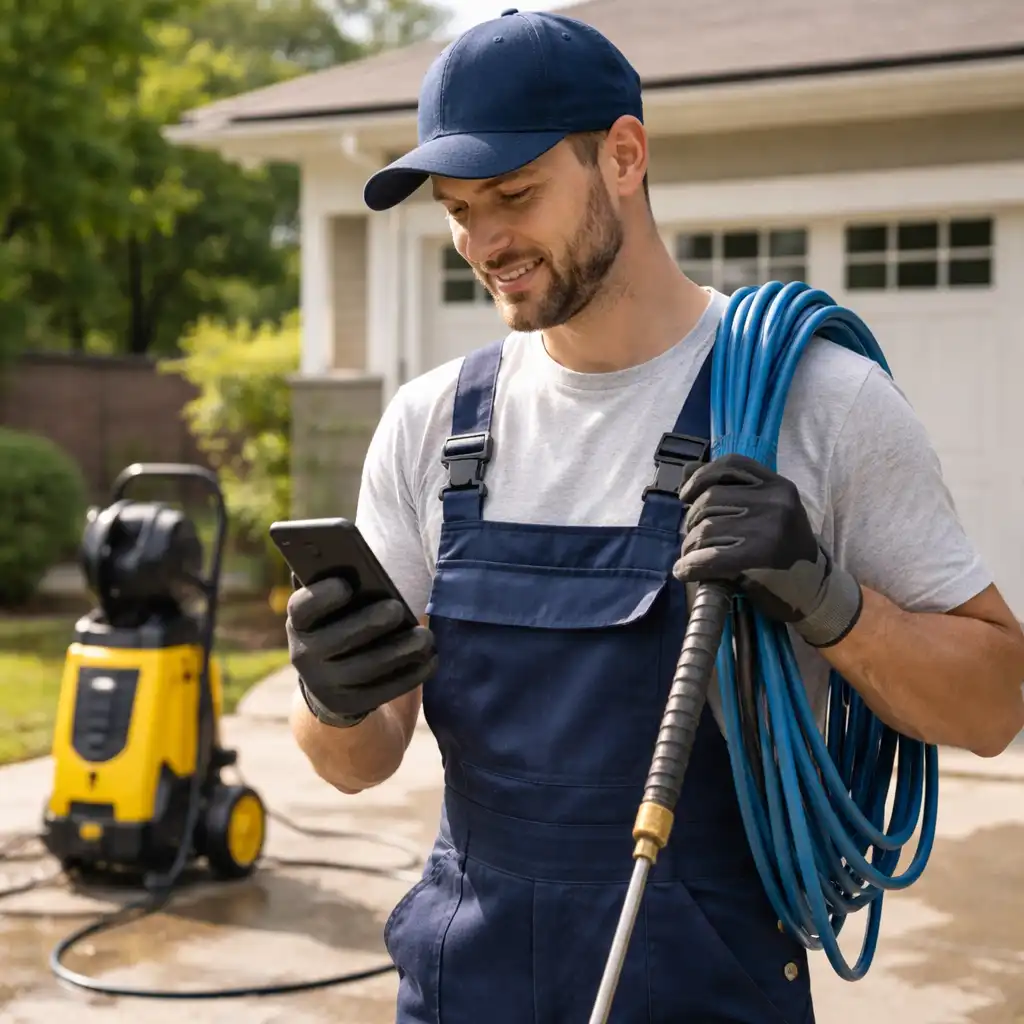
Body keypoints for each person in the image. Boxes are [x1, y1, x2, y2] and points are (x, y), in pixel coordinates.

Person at [286, 9, 1024, 1023]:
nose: (483, 240)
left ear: (623, 156)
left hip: (704, 986)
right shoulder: (429, 427)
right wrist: (328, 697)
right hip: (468, 982)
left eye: (512, 194)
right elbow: (359, 760)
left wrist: (829, 600)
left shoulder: (814, 404)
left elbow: (993, 703)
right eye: (458, 209)